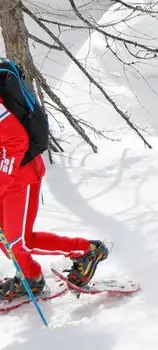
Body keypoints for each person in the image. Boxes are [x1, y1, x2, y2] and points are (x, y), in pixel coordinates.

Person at [0, 94, 108, 302]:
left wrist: (2, 181)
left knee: (17, 242)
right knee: (5, 239)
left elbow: (16, 140)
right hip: (7, 178)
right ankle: (30, 278)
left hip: (20, 175)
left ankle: (88, 250)